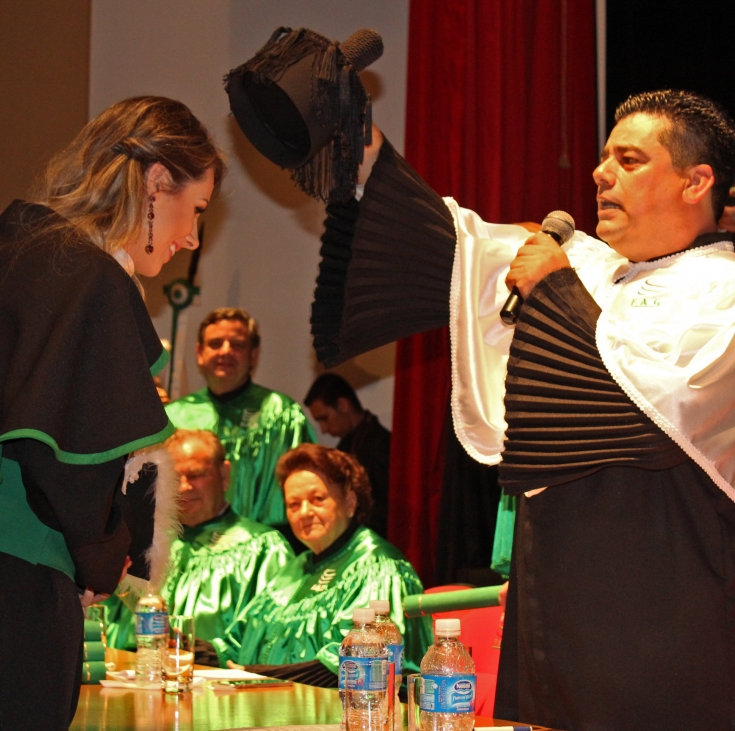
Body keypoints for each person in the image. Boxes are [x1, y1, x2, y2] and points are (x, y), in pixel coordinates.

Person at [308, 91, 735, 730]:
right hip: (560, 615)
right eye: (603, 157)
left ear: (696, 181)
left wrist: (556, 289)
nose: (601, 173)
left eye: (629, 160)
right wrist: (361, 160)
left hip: (662, 626)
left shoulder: (721, 292)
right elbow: (462, 256)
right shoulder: (593, 268)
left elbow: (651, 420)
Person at [0, 96, 224, 731]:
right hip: (8, 582)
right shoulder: (87, 275)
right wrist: (100, 559)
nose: (192, 238)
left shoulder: (25, 254)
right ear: (156, 182)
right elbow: (63, 457)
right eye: (197, 209)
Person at [194, 443, 432, 687]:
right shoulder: (292, 572)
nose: (304, 512)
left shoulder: (378, 567)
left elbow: (357, 663)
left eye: (317, 499)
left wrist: (258, 675)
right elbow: (235, 646)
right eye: (293, 504)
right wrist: (179, 642)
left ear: (350, 502)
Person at [104, 429, 294, 649]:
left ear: (224, 475)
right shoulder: (145, 547)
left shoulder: (264, 549)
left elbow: (269, 637)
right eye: (174, 477)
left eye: (195, 475)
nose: (184, 487)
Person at [165, 307, 316, 538]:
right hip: (182, 544)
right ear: (199, 352)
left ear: (253, 355)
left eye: (237, 345)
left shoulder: (281, 413)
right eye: (215, 343)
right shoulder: (174, 417)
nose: (225, 351)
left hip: (261, 545)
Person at [304, 373, 391, 536]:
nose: (323, 429)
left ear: (343, 405)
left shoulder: (381, 445)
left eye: (324, 418)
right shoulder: (348, 446)